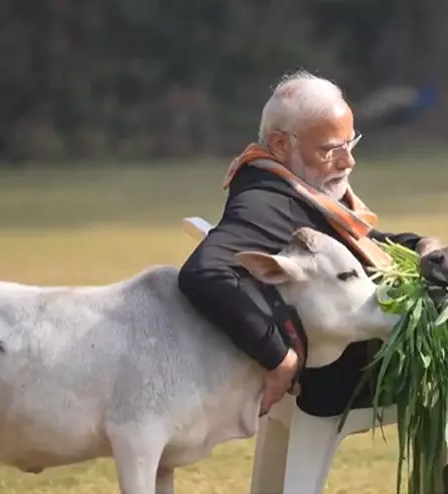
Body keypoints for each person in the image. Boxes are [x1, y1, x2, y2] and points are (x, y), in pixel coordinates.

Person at [177, 70, 423, 419]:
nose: (348, 161)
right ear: (280, 145)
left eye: (351, 144)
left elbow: (350, 246)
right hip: (340, 380)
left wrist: (421, 245)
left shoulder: (291, 187)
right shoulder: (265, 202)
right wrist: (278, 356)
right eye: (331, 150)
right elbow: (203, 270)